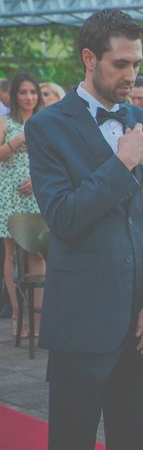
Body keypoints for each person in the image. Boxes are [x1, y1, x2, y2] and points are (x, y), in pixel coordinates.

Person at [25, 9, 143, 449]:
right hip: (82, 320)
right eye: (121, 64)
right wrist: (122, 161)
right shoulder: (45, 127)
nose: (131, 75)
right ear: (89, 58)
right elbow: (64, 218)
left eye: (137, 64)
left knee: (136, 440)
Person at [0, 72, 45, 339]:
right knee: (11, 253)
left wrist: (38, 180)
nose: (29, 97)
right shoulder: (5, 122)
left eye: (33, 92)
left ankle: (39, 318)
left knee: (37, 253)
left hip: (38, 192)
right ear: (14, 96)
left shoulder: (45, 122)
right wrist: (16, 141)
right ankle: (18, 315)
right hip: (9, 194)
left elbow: (56, 158)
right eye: (23, 92)